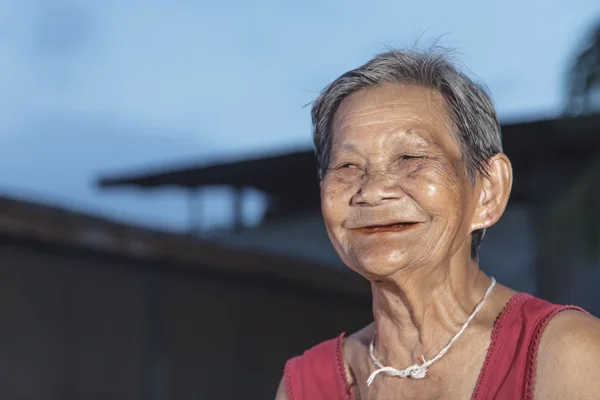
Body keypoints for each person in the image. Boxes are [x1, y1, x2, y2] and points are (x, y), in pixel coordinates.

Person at [274, 49, 600, 399]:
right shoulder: (307, 383)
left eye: (409, 158)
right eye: (347, 166)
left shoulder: (568, 355)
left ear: (488, 191)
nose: (371, 191)